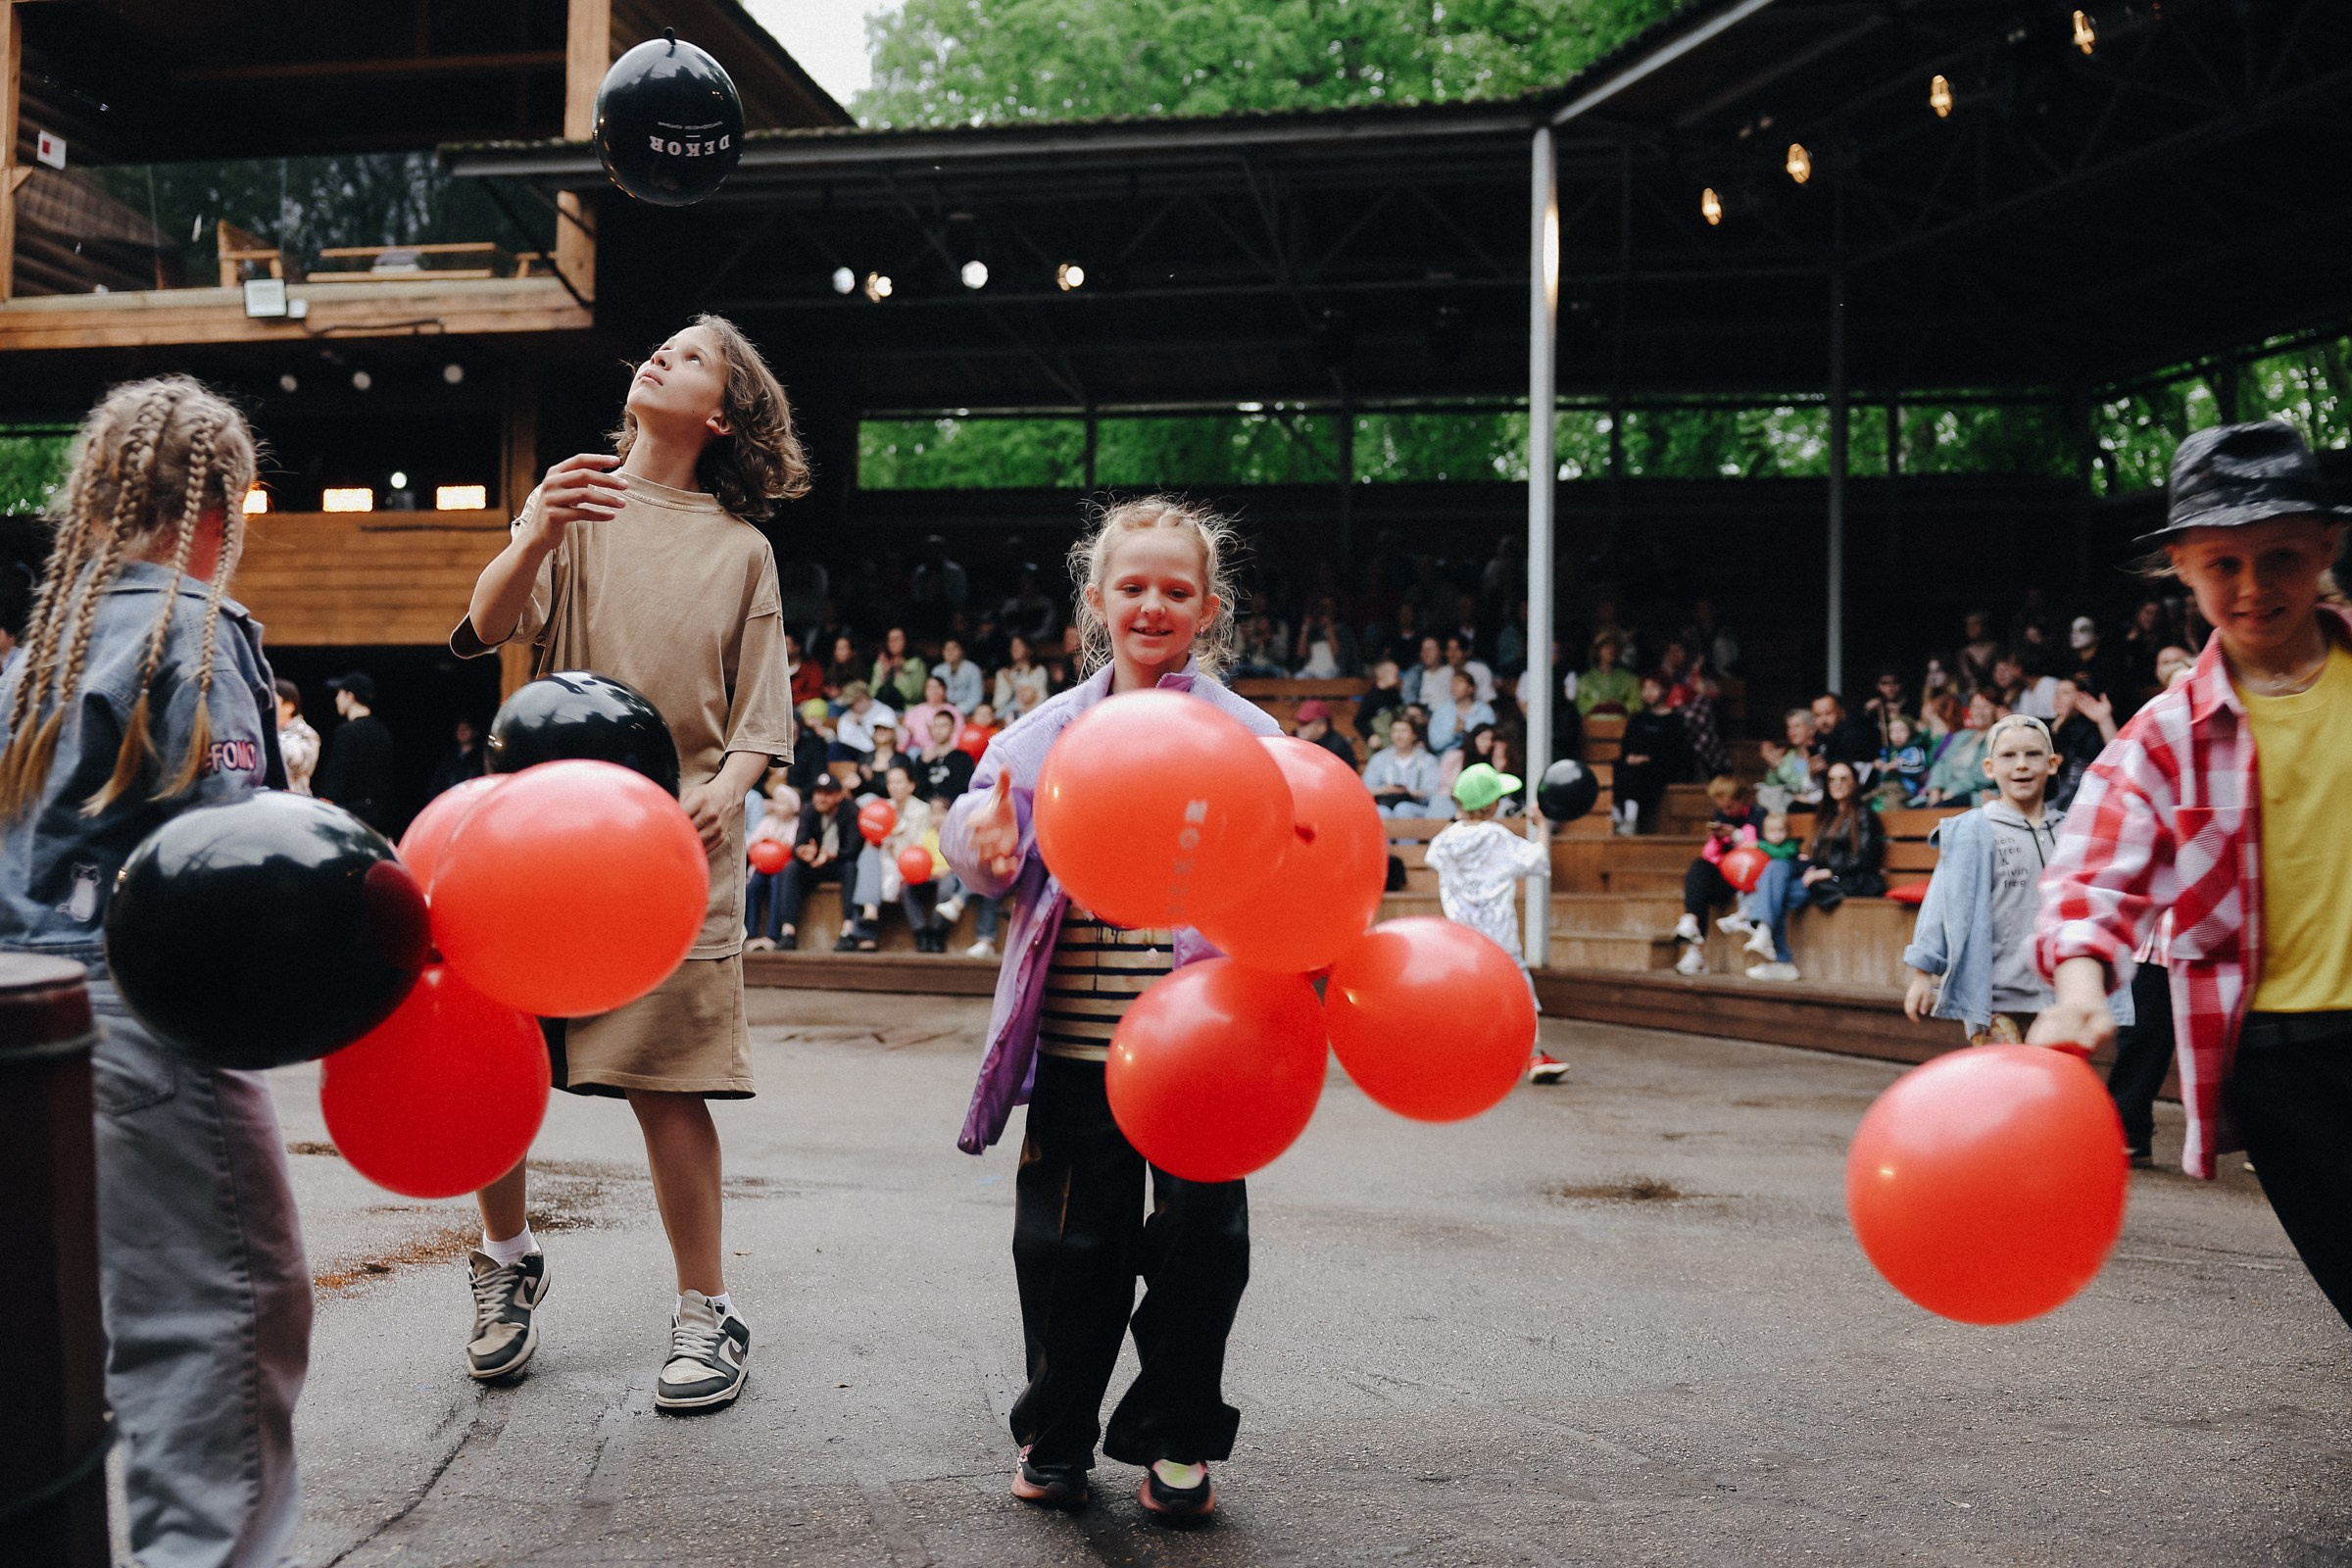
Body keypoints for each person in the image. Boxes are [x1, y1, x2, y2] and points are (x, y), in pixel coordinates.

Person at [450, 315, 799, 1410]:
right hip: (535, 843)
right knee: (494, 1065)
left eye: (692, 356)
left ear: (722, 413)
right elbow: (488, 619)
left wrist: (724, 794)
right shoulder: (578, 499)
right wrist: (535, 530)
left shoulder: (744, 549)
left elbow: (761, 722)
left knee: (668, 1086)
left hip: (672, 854)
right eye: (662, 346)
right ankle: (506, 1266)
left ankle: (708, 1311)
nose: (661, 355)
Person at [0, 377, 311, 1566]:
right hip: (144, 1028)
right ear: (222, 504)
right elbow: (235, 856)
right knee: (220, 1332)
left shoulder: (47, 646)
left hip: (29, 1025)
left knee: (69, 1349)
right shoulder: (191, 625)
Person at [941, 494, 1279, 1519]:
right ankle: (1057, 1434)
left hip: (1202, 1054)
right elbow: (976, 831)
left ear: (1208, 609)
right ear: (1096, 600)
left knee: (1202, 1248)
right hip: (1082, 1051)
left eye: (1177, 590)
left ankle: (1177, 1439)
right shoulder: (1044, 735)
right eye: (1132, 587)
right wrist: (983, 849)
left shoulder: (1250, 737)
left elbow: (1298, 855)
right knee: (1065, 1249)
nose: (1153, 604)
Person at [2033, 419, 2352, 1325]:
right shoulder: (2164, 736)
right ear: (2181, 565)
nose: (2254, 589)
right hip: (2280, 1065)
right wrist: (2082, 982)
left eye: (2283, 557)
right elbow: (2092, 874)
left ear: (2328, 546)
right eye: (2224, 565)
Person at [1902, 715, 2130, 1046]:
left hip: (2059, 996)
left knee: (2051, 1086)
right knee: (2004, 1086)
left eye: (2033, 755)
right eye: (2009, 756)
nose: (2021, 765)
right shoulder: (1973, 830)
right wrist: (1923, 974)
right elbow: (1943, 903)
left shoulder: (2072, 831)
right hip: (1996, 998)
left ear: (2052, 764)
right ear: (1989, 768)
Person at [1425, 762, 1566, 1082]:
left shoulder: (1446, 842)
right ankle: (1535, 1055)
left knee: (1467, 995)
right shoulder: (1497, 837)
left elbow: (1431, 857)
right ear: (1493, 805)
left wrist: (1457, 823)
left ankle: (1463, 1058)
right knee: (1520, 992)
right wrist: (1541, 825)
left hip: (1462, 938)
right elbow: (1536, 859)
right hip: (1499, 934)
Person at [1740, 761, 1882, 981]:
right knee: (1777, 867)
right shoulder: (1827, 814)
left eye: (1844, 779)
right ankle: (1765, 933)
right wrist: (1809, 862)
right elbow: (1822, 854)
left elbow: (1865, 857)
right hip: (1819, 873)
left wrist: (1828, 871)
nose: (1837, 784)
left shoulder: (1864, 815)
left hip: (1847, 878)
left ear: (1854, 784)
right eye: (1832, 779)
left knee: (1779, 892)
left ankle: (1779, 956)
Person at [1671, 776, 1761, 975]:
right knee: (1699, 869)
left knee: (1701, 885)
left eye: (1730, 807)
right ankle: (1692, 926)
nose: (1726, 812)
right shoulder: (1721, 816)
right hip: (1726, 873)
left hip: (1749, 876)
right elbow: (1710, 856)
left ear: (1742, 799)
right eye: (1723, 808)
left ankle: (1694, 941)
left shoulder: (1758, 815)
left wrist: (1736, 835)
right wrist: (1717, 839)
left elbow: (1758, 850)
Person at [768, 772, 861, 950]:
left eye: (827, 793)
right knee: (792, 868)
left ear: (838, 795)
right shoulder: (809, 810)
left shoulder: (851, 810)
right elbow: (798, 844)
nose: (821, 798)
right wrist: (804, 852)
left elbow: (853, 849)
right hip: (814, 864)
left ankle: (848, 931)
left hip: (839, 862)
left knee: (851, 868)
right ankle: (788, 931)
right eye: (818, 793)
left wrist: (832, 854)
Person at [316, 669, 396, 833]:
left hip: (351, 817)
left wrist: (323, 805)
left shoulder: (347, 731)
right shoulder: (383, 730)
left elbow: (337, 777)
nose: (336, 699)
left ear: (350, 696)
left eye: (339, 694)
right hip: (379, 817)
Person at [1609, 672, 1687, 835]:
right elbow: (1627, 746)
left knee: (1638, 771)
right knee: (1619, 767)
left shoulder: (1675, 720)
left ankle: (1630, 820)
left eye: (1653, 688)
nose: (1648, 692)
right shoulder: (1638, 718)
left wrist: (1647, 758)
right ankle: (1617, 817)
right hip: (1634, 766)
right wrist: (1630, 757)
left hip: (1661, 767)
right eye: (1645, 688)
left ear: (1664, 690)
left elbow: (1675, 752)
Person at [743, 772, 800, 952]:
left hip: (781, 868)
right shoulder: (767, 822)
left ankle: (772, 934)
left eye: (783, 802)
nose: (779, 806)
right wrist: (764, 843)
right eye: (776, 801)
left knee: (777, 886)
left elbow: (792, 845)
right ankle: (749, 932)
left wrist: (778, 847)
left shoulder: (795, 824)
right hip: (762, 867)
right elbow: (752, 841)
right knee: (752, 887)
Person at [2047, 677, 2118, 811]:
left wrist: (2104, 720)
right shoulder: (2050, 726)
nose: (2058, 698)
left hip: (2087, 796)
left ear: (2081, 697)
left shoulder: (2092, 728)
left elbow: (2118, 755)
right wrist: (2056, 729)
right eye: (2056, 693)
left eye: (2065, 693)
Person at [1919, 690, 1997, 807]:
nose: (1979, 712)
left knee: (1939, 808)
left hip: (1973, 794)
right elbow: (1942, 763)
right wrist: (1935, 789)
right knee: (1913, 809)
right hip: (1945, 793)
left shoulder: (1998, 738)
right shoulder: (1961, 736)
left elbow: (1982, 776)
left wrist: (1953, 791)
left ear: (1997, 710)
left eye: (1985, 706)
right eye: (1975, 706)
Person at [1362, 715, 1442, 817]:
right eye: (1395, 731)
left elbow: (1432, 793)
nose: (1399, 736)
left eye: (1404, 731)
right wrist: (1385, 790)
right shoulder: (1379, 759)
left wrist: (1409, 792)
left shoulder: (1428, 760)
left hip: (1417, 807)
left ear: (1414, 735)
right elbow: (1365, 790)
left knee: (1403, 808)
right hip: (1385, 803)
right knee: (1380, 811)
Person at [1754, 709, 1818, 815]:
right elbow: (1773, 787)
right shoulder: (1791, 756)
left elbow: (1802, 784)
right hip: (1793, 809)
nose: (1791, 732)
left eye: (1797, 726)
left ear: (1811, 729)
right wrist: (1773, 767)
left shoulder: (1820, 751)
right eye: (1789, 727)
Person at [1427, 666, 1494, 755]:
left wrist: (1465, 732)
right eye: (1453, 683)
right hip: (1446, 759)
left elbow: (1489, 739)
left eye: (1459, 682)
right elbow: (1435, 744)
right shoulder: (1441, 711)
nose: (1454, 686)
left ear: (1471, 688)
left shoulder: (1485, 711)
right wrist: (1454, 733)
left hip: (1477, 757)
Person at [901, 671, 964, 758]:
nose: (934, 690)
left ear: (944, 690)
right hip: (919, 750)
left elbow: (958, 734)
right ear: (925, 691)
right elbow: (906, 735)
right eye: (930, 687)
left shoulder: (954, 711)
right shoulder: (914, 711)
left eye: (937, 687)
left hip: (947, 749)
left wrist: (942, 750)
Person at [276, 675, 320, 796]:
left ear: (289, 706)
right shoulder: (265, 731)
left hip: (294, 802)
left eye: (273, 700)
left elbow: (296, 762)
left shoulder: (306, 733)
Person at [1575, 631, 1639, 715]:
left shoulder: (1629, 678)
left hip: (1621, 725)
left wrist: (1619, 706)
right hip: (1594, 725)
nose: (1612, 649)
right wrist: (1600, 706)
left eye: (1615, 646)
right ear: (1598, 651)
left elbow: (1636, 705)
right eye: (1607, 646)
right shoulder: (1585, 679)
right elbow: (1581, 706)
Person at [424, 715, 488, 799]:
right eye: (459, 729)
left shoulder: (482, 757)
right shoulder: (449, 757)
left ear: (475, 732)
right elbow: (437, 783)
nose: (461, 731)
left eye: (466, 729)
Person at [1875, 713, 1930, 808]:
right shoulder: (1889, 751)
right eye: (1892, 731)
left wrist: (1899, 766)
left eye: (1902, 730)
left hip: (1904, 789)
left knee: (1892, 804)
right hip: (1886, 787)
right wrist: (1880, 765)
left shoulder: (1914, 750)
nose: (1897, 735)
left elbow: (1919, 767)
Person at [995, 633, 1051, 720]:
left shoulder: (1039, 671)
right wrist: (1008, 686)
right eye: (1012, 646)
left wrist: (1012, 683)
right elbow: (998, 703)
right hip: (1007, 715)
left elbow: (1042, 696)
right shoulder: (1004, 673)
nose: (1015, 649)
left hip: (1034, 712)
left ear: (1029, 649)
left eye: (1019, 645)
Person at [871, 624, 927, 708]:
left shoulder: (916, 664)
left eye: (897, 639)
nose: (893, 643)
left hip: (907, 712)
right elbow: (872, 694)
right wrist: (883, 675)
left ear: (906, 641)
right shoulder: (880, 664)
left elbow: (915, 696)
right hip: (882, 712)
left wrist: (899, 674)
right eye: (890, 640)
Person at [1291, 698, 1356, 769]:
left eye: (1305, 723)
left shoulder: (1337, 748)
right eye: (1300, 723)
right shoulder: (1294, 741)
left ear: (1321, 725)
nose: (1300, 728)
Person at [937, 635, 985, 712]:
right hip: (942, 711)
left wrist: (957, 710)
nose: (950, 652)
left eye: (954, 648)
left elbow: (976, 697)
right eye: (946, 649)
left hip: (968, 712)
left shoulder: (972, 669)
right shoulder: (937, 671)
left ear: (961, 651)